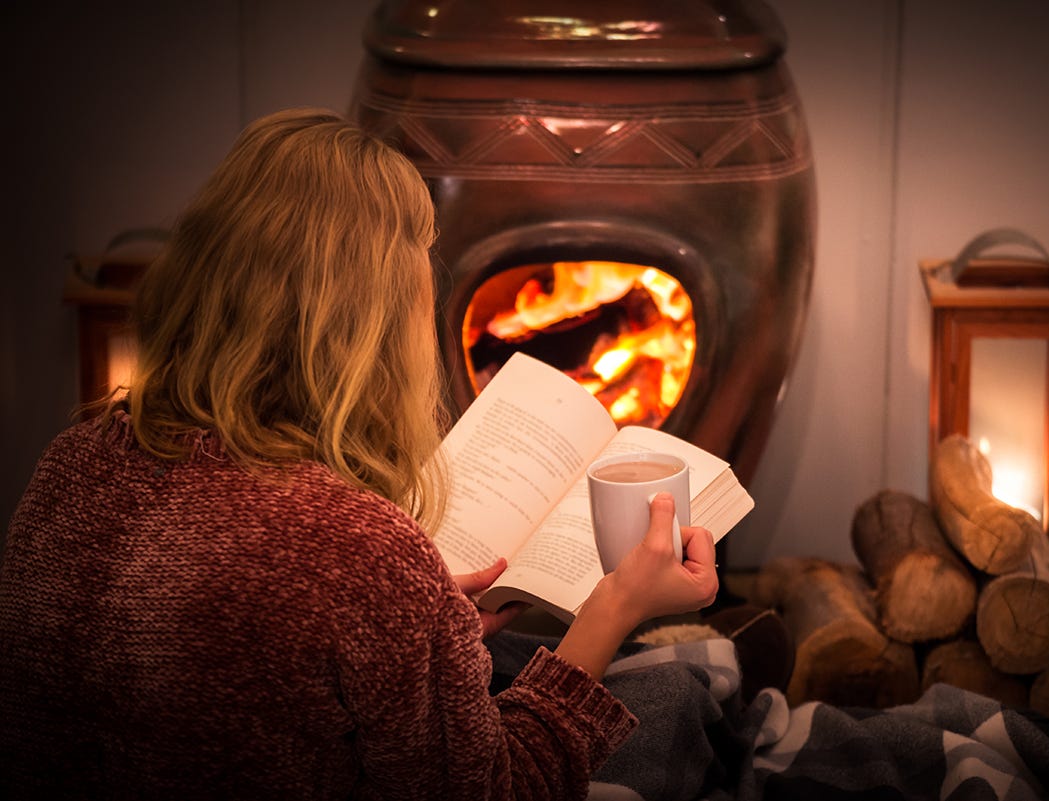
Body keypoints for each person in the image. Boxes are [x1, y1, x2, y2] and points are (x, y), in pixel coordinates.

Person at [0, 108, 719, 799]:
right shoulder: (358, 547)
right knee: (670, 698)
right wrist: (615, 604)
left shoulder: (71, 461)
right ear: (374, 325)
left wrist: (426, 621)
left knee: (547, 671)